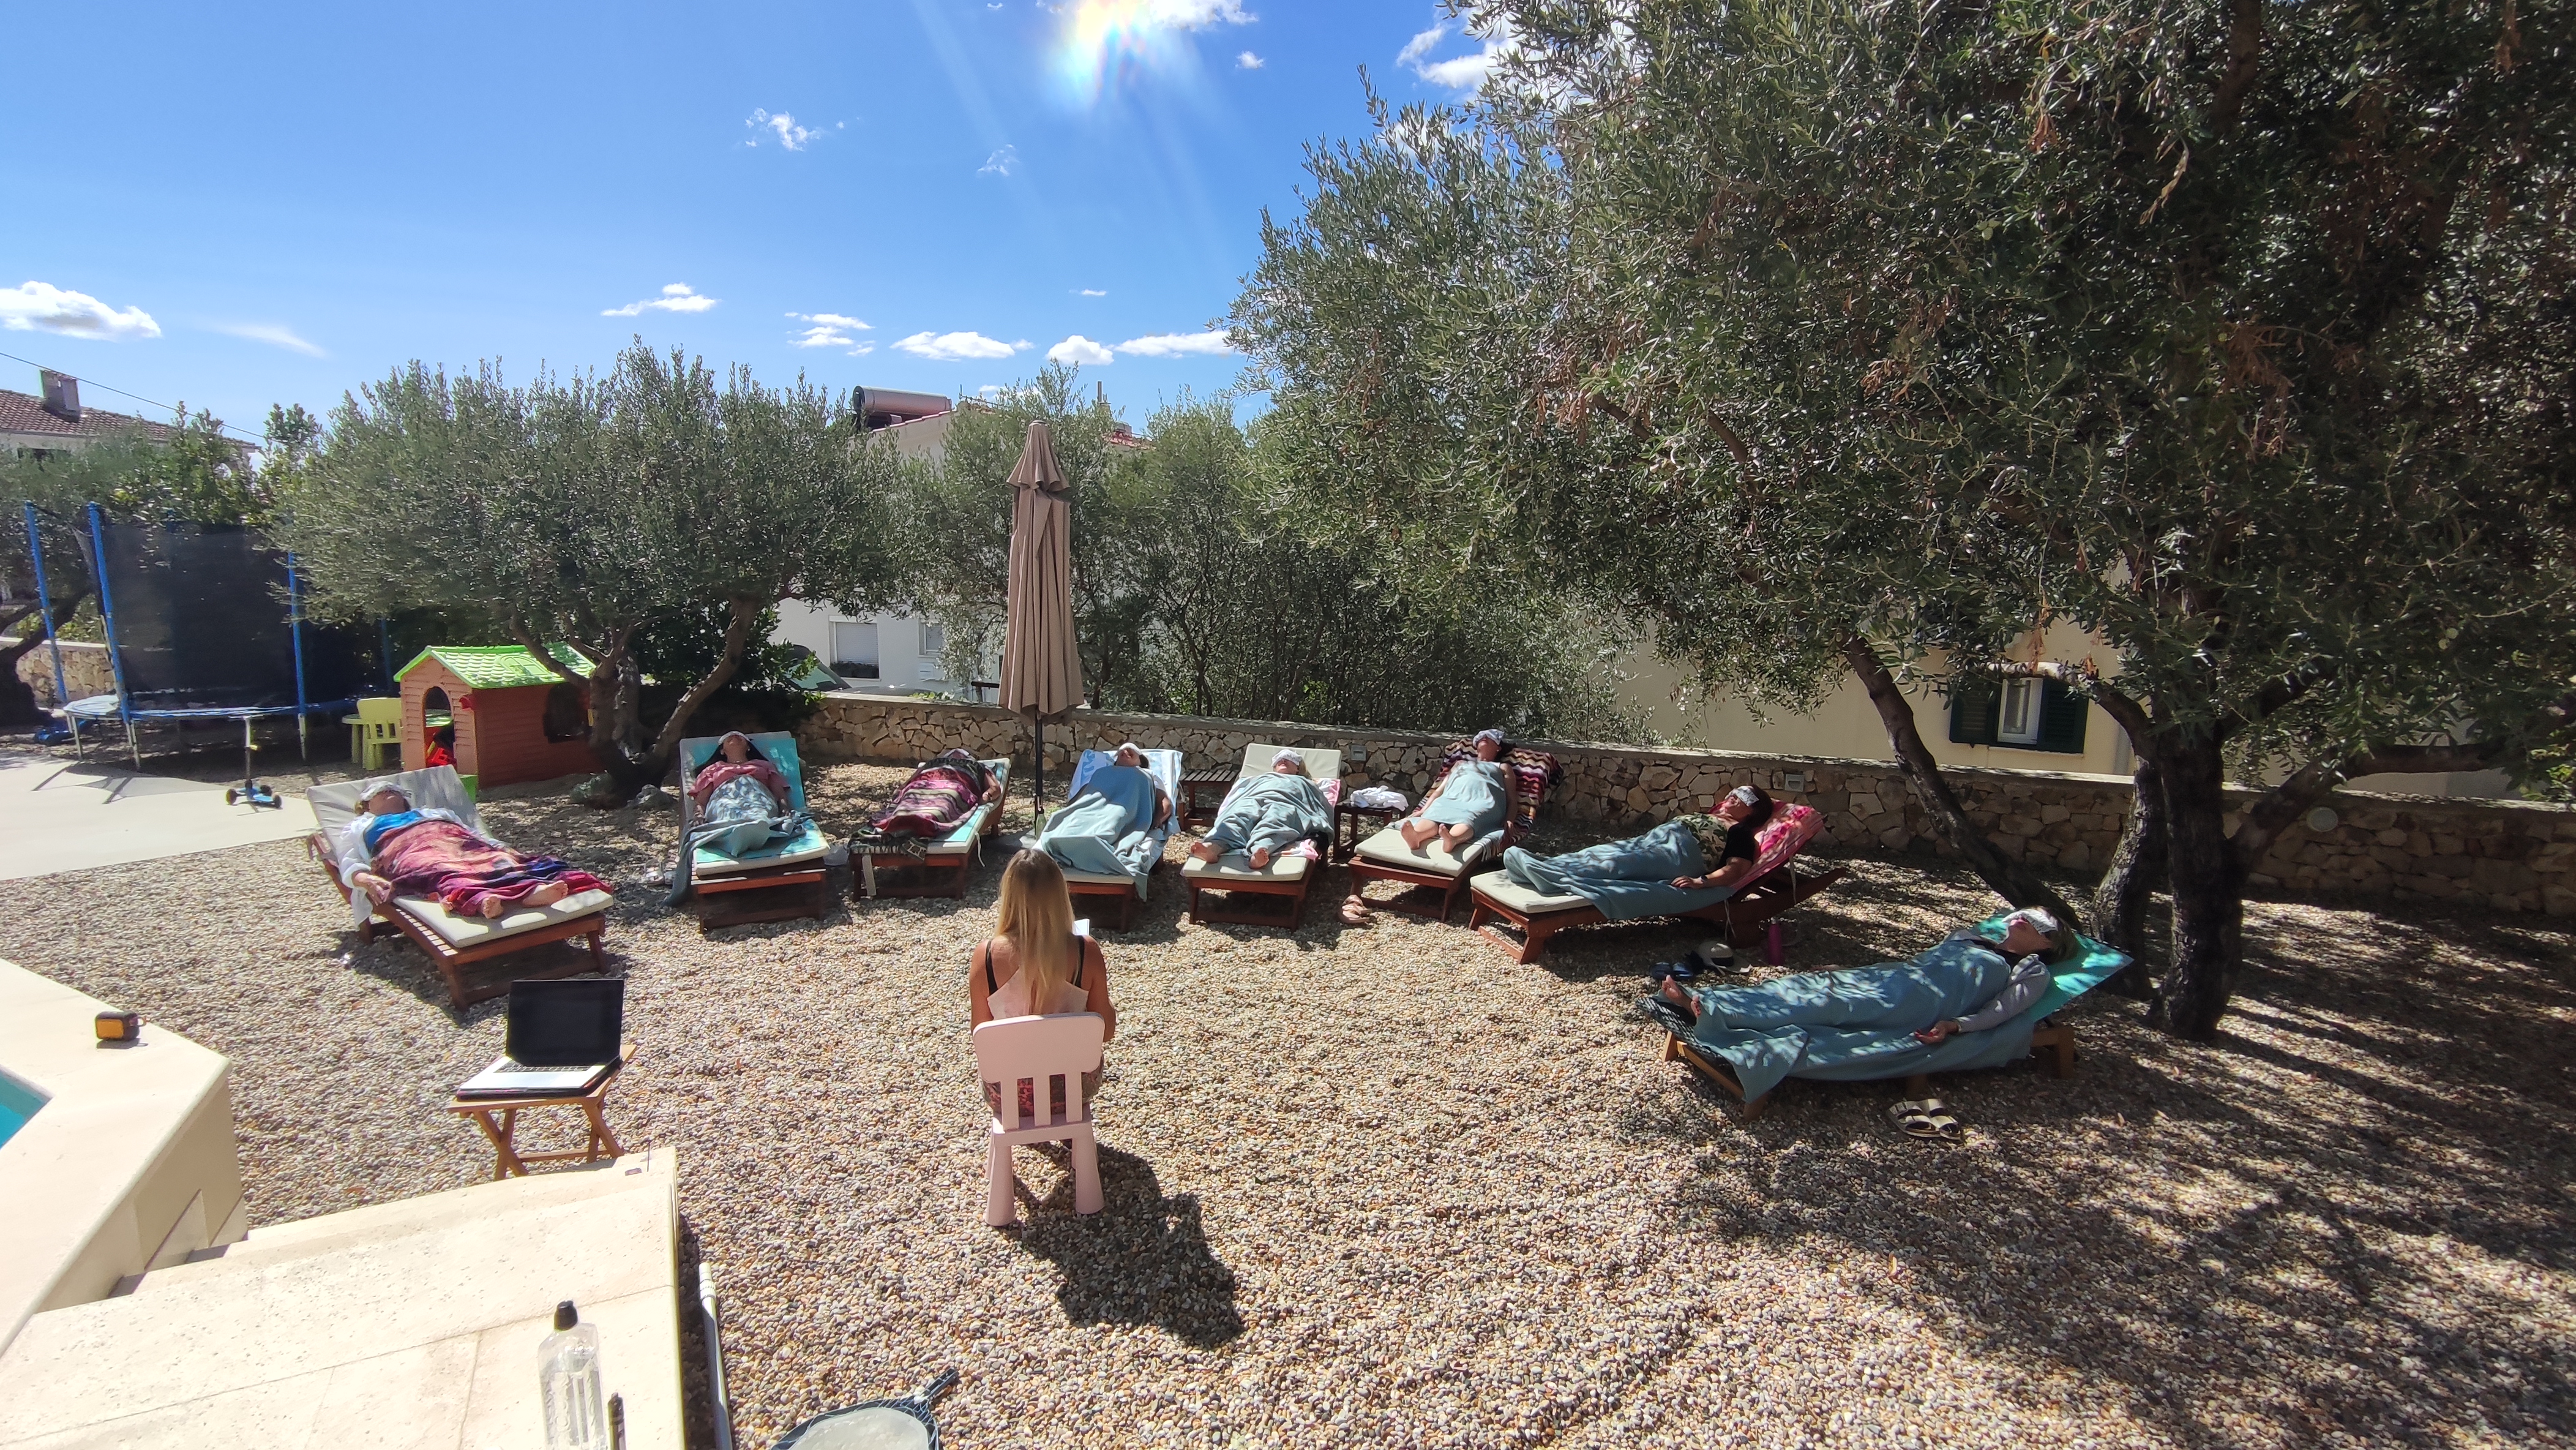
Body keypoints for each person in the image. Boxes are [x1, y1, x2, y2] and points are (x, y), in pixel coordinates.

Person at [1641, 908, 2086, 1113]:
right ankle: (1713, 1005)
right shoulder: (1970, 937)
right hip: (1896, 981)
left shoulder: (2030, 970)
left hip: (1914, 1005)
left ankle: (1710, 1009)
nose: (2023, 919)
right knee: (1805, 987)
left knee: (1823, 1004)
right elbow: (1916, 964)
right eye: (2025, 913)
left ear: (2047, 944)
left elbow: (2004, 1011)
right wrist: (1855, 969)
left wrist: (1955, 1025)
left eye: (2038, 924)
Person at [970, 851, 1115, 1121]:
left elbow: (981, 1035)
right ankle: (1074, 1136)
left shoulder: (986, 956)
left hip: (1008, 1093)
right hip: (1073, 1089)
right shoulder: (1086, 951)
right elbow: (1106, 1031)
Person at [1496, 785, 1778, 921]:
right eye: (1735, 792)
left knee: (1616, 864)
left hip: (1676, 856)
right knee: (1600, 852)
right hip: (1652, 841)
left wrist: (1701, 882)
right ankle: (1545, 865)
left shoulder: (1740, 832)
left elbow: (1737, 869)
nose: (1733, 796)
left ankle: (1547, 875)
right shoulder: (1713, 817)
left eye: (1744, 797)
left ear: (1754, 811)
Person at [337, 781, 609, 919]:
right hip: (409, 849)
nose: (388, 792)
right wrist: (366, 879)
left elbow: (473, 835)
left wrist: (501, 847)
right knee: (439, 868)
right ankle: (483, 900)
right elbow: (349, 860)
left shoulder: (433, 813)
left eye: (393, 790)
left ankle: (532, 892)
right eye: (379, 792)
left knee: (498, 860)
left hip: (455, 841)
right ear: (366, 805)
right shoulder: (359, 826)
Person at [1033, 742, 1173, 882]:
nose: (1125, 752)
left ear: (1141, 761)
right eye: (1122, 752)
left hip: (1122, 809)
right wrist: (1071, 812)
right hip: (1091, 810)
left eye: (1131, 752)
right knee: (1073, 820)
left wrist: (1159, 819)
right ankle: (1068, 841)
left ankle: (1090, 844)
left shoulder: (1147, 775)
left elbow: (1165, 802)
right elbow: (1083, 797)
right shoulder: (1102, 773)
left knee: (1115, 819)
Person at [1188, 748, 1335, 870]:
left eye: (1290, 759)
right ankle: (1213, 847)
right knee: (1237, 817)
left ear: (1298, 768)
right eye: (1279, 759)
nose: (1283, 761)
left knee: (1276, 820)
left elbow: (1320, 803)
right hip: (1253, 802)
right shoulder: (1261, 778)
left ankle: (1261, 851)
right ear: (1274, 767)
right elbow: (1240, 794)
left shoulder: (1306, 783)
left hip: (1285, 804)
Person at [1398, 729, 1513, 853]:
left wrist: (1509, 819)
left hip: (1483, 802)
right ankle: (1417, 836)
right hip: (1451, 799)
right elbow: (1439, 791)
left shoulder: (1503, 767)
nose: (1484, 738)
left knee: (1470, 818)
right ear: (1476, 747)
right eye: (1481, 737)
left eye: (1490, 737)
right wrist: (1424, 809)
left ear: (1498, 748)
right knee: (1434, 813)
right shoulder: (1460, 764)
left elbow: (1512, 799)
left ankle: (1453, 839)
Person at [871, 748, 1005, 838]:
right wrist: (901, 792)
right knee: (912, 795)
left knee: (946, 798)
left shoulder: (977, 766)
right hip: (923, 783)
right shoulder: (931, 764)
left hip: (955, 785)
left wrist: (986, 796)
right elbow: (910, 782)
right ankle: (901, 820)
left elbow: (995, 788)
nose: (957, 753)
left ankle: (922, 821)